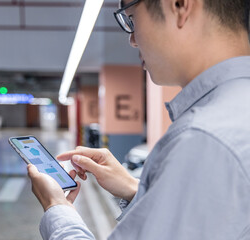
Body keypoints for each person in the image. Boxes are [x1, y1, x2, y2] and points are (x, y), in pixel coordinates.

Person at [28, 0, 250, 239]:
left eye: (132, 18)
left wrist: (56, 207)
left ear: (179, 6)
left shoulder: (204, 140)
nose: (132, 39)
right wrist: (136, 189)